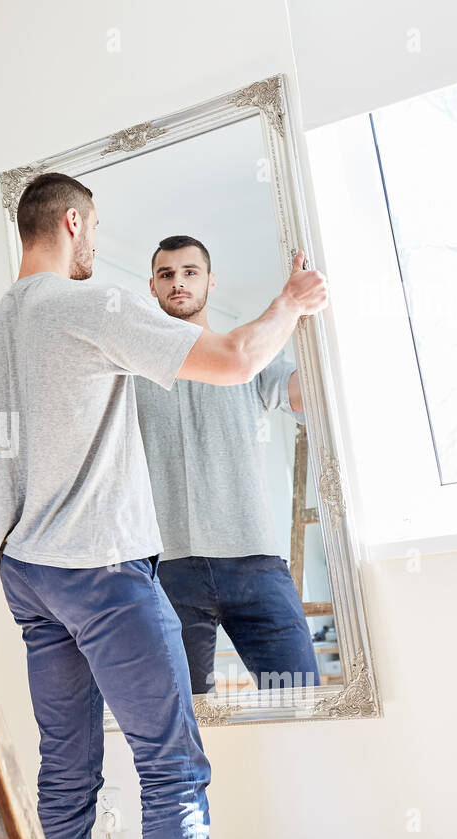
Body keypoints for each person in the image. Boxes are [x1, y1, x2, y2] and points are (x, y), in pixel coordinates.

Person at [0, 173, 328, 839]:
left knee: (65, 777)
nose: (94, 240)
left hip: (26, 576)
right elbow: (238, 360)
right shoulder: (92, 305)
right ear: (70, 223)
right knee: (172, 769)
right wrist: (290, 303)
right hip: (100, 569)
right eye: (92, 226)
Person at [137, 235, 322, 696]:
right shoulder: (132, 375)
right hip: (170, 571)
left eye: (189, 272)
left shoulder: (251, 358)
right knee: (188, 719)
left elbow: (308, 392)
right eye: (166, 275)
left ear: (210, 281)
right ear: (153, 288)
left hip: (254, 563)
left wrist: (304, 320)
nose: (178, 283)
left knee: (303, 701)